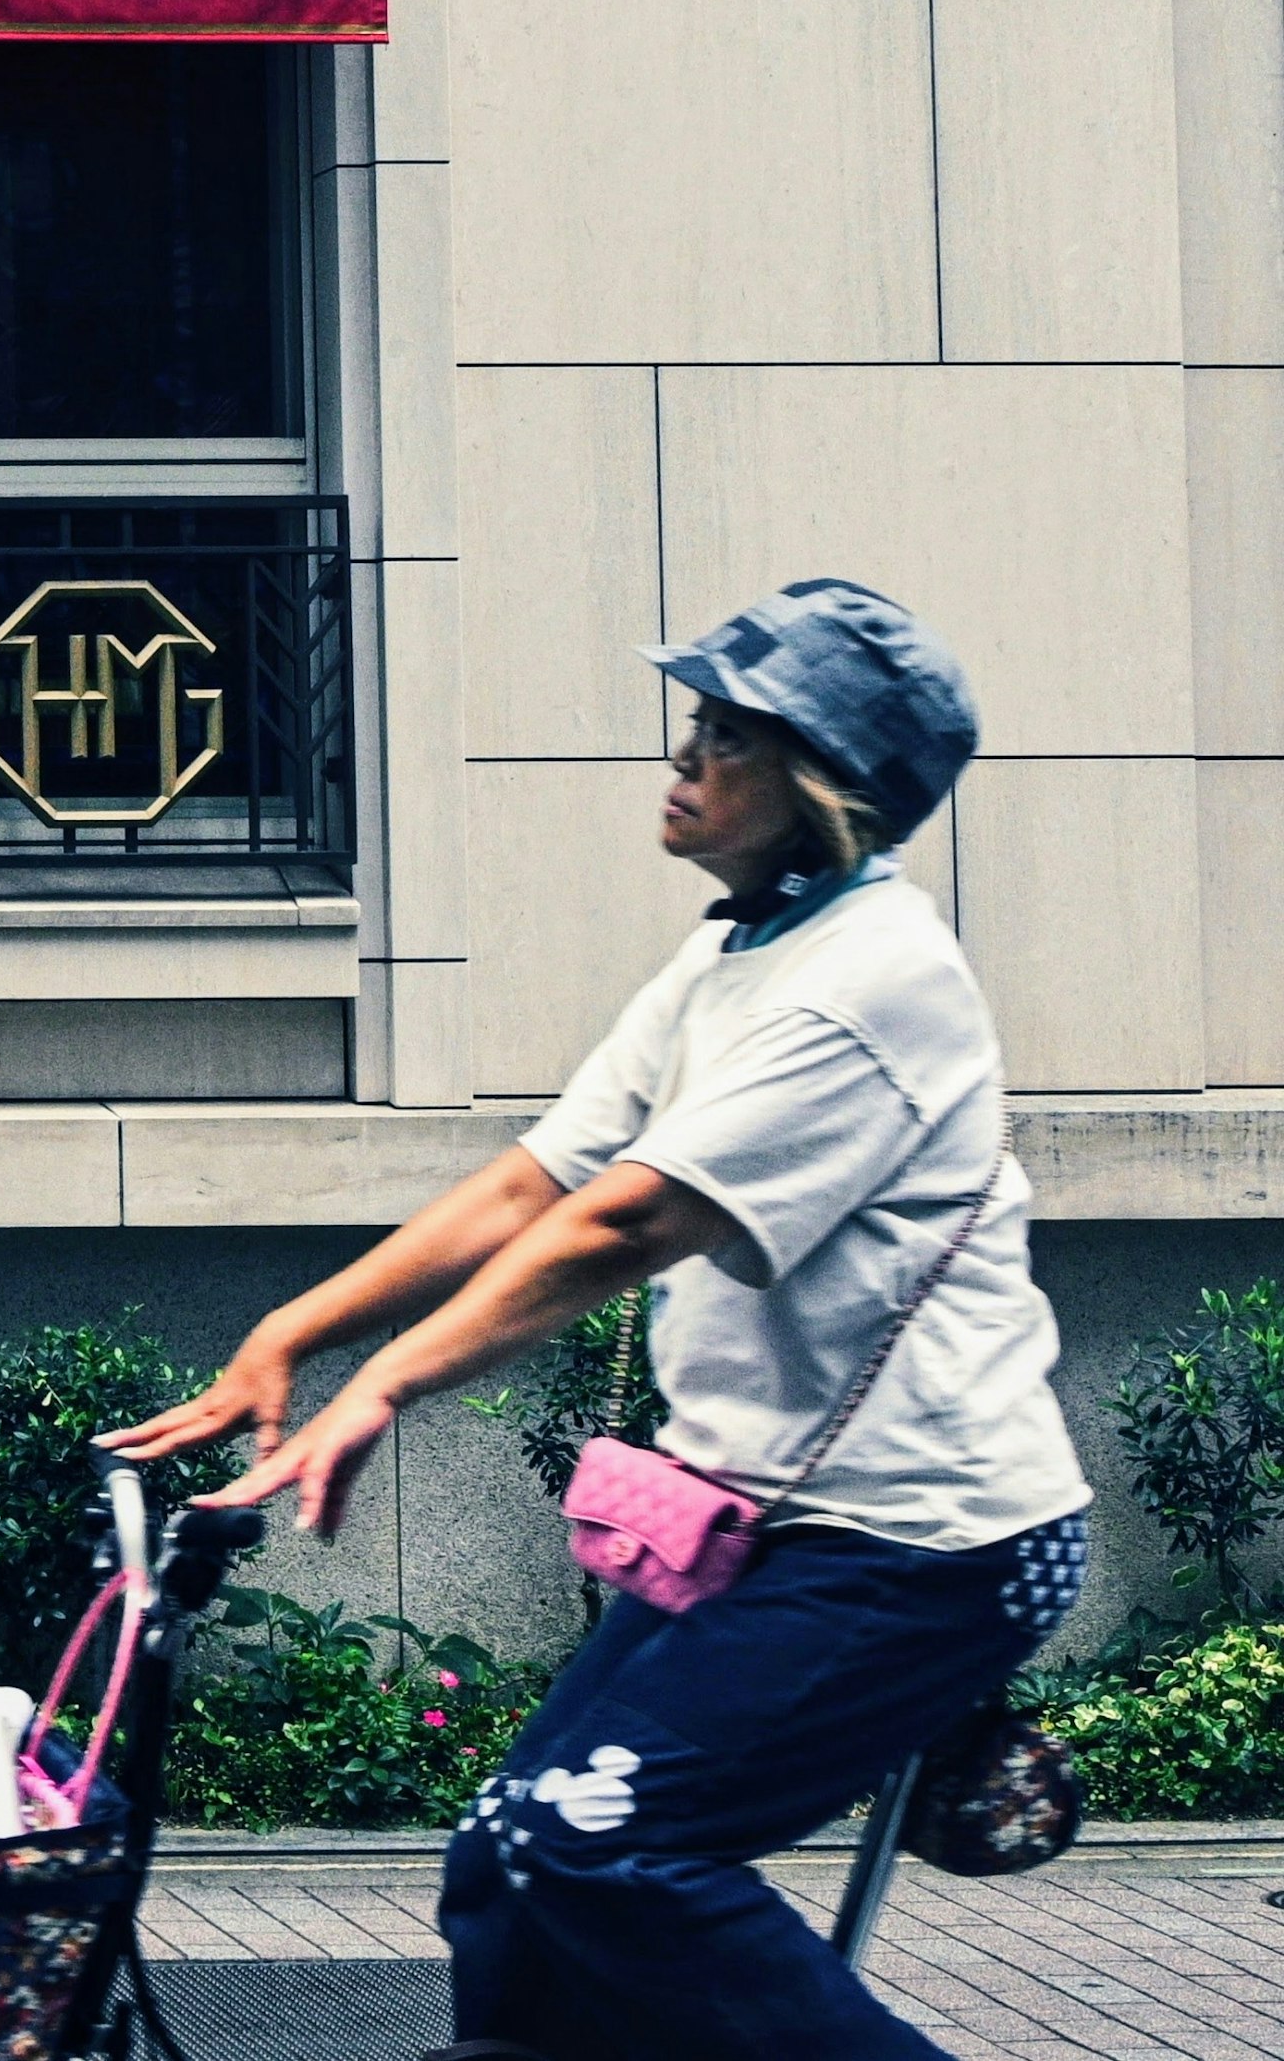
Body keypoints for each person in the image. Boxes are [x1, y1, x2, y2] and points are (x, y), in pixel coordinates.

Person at [102, 577, 1090, 2061]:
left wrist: (387, 1389)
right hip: (764, 1520)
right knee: (508, 1857)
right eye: (691, 729)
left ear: (827, 787)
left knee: (597, 1846)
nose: (683, 763)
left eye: (727, 740)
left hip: (919, 1548)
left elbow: (627, 1220)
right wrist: (296, 1333)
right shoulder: (736, 952)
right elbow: (537, 1178)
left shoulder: (868, 984)